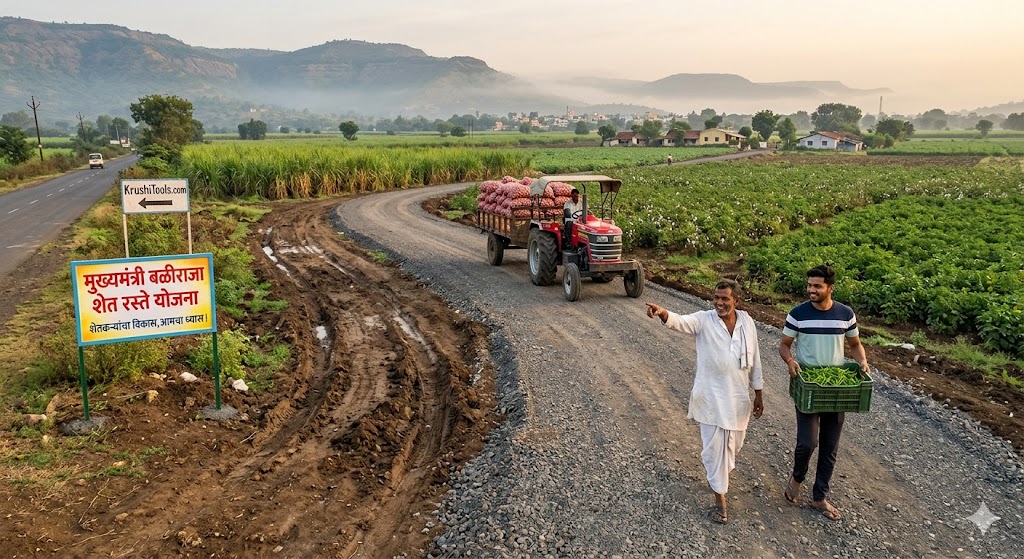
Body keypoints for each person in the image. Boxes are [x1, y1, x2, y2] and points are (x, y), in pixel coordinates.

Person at [645, 279, 764, 525]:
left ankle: (719, 477)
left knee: (733, 446)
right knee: (714, 449)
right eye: (716, 298)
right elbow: (681, 321)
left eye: (725, 299)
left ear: (736, 301)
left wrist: (758, 392)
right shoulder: (704, 319)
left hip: (739, 400)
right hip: (710, 398)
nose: (719, 303)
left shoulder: (747, 323)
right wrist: (663, 313)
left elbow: (756, 360)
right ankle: (720, 497)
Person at [779, 264, 869, 522]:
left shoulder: (845, 314)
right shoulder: (798, 314)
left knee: (830, 446)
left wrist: (862, 361)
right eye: (809, 285)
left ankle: (819, 496)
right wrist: (790, 361)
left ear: (830, 288)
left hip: (835, 388)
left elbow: (855, 345)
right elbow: (784, 345)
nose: (811, 290)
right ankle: (797, 478)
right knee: (808, 442)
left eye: (817, 286)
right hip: (807, 383)